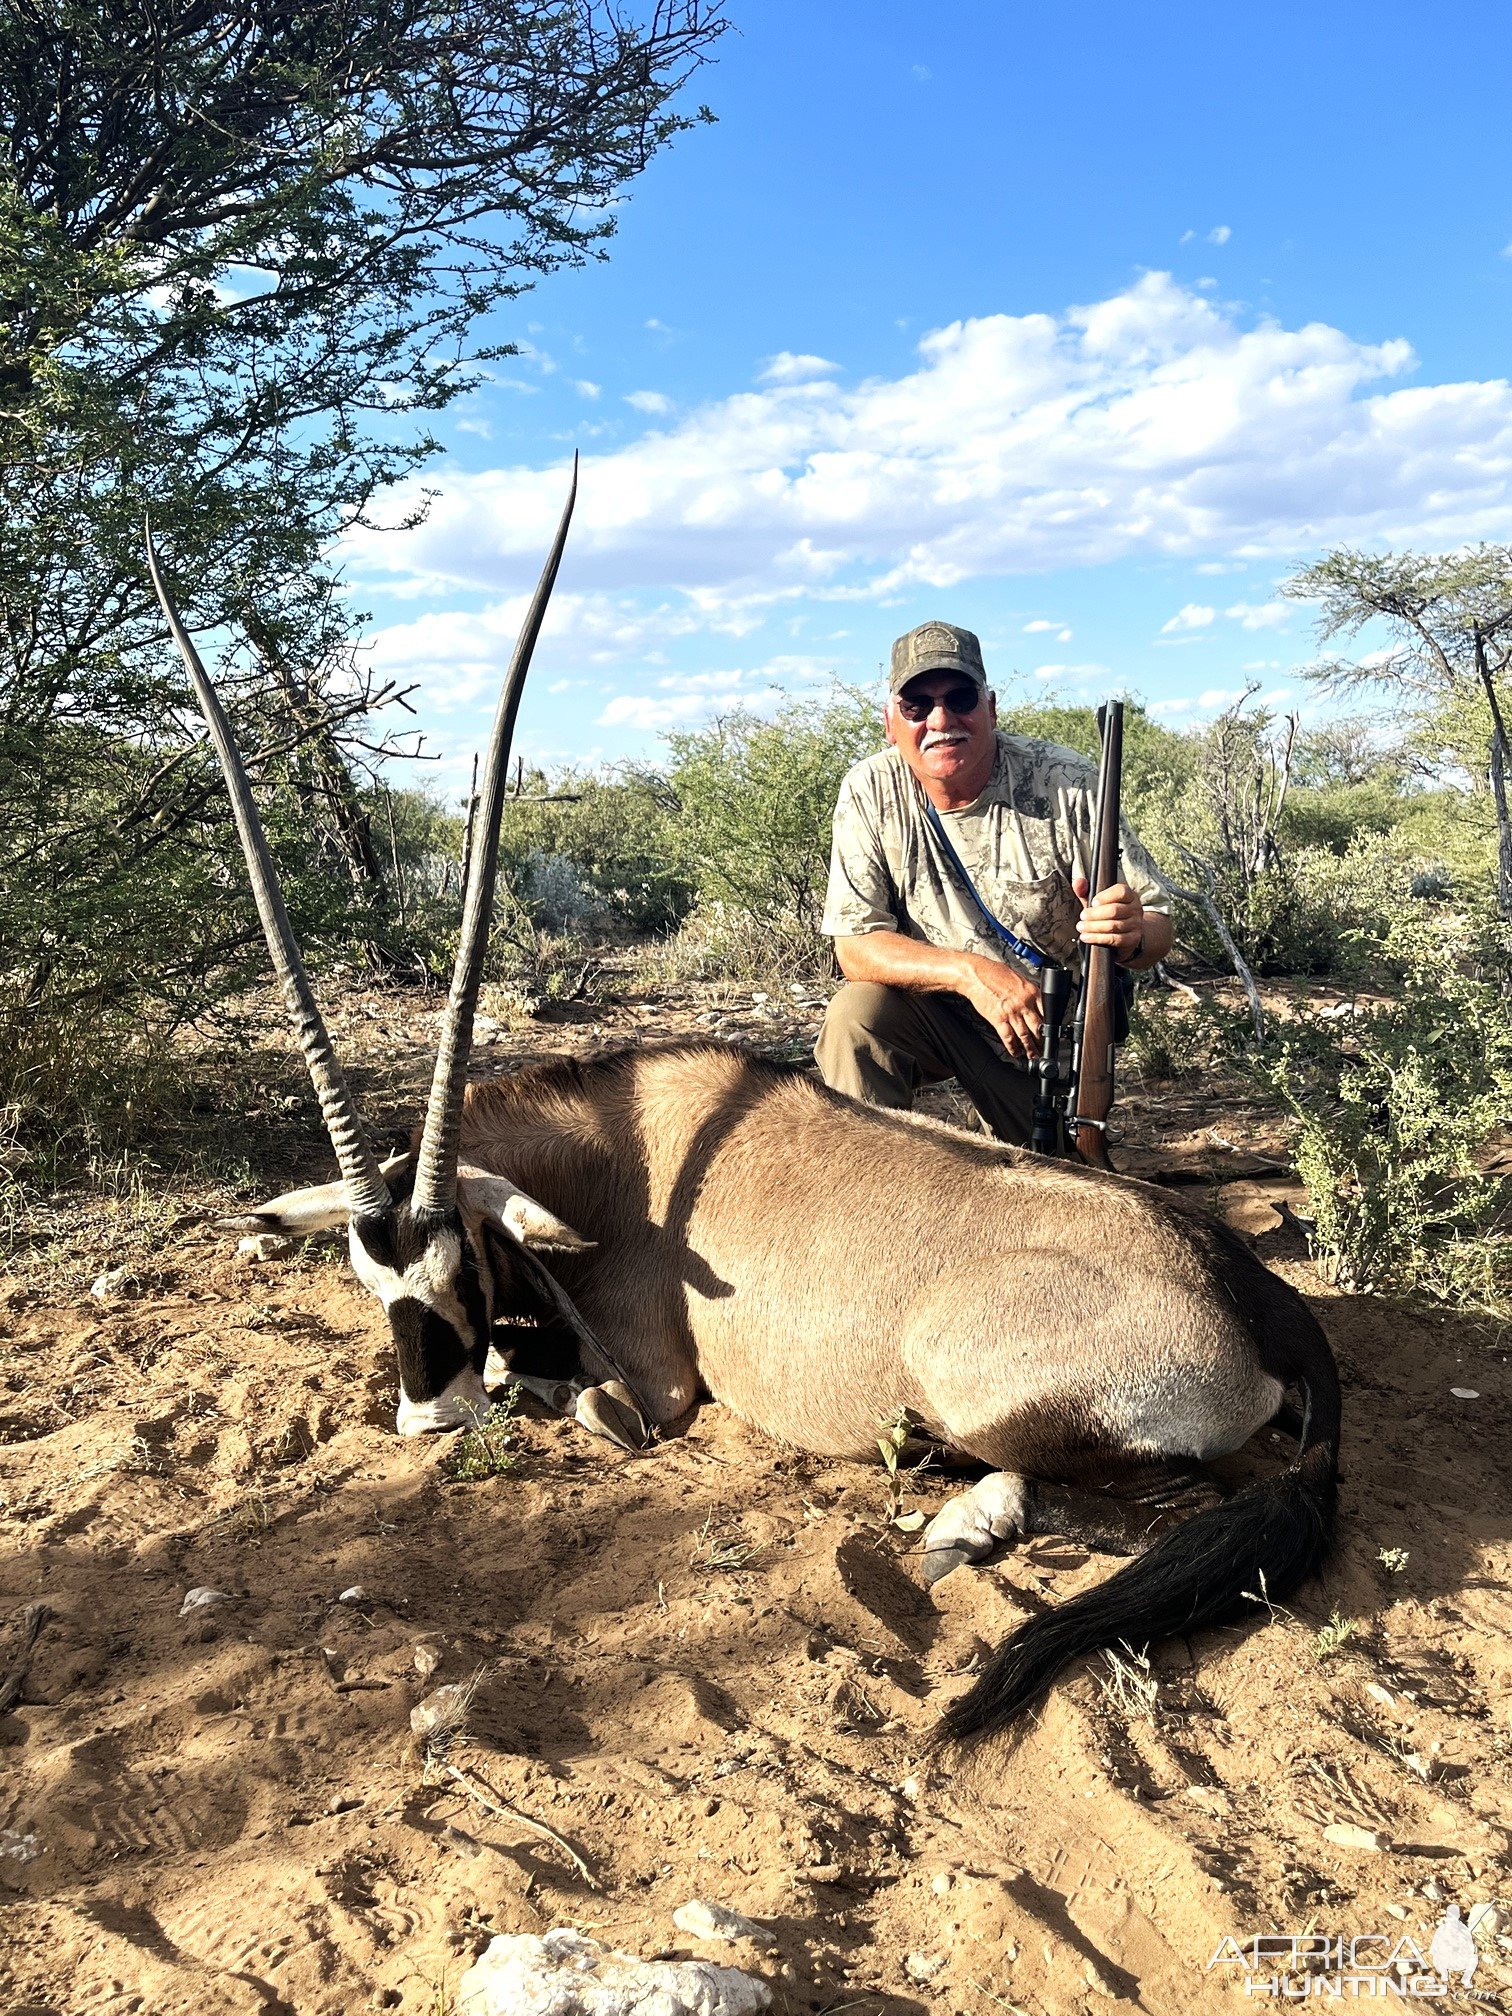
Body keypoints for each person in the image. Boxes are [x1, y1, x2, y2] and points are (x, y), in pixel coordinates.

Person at [816, 619, 1173, 1145]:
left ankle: (1005, 1126)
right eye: (918, 705)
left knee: (1051, 1187)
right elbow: (856, 946)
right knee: (856, 1018)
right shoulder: (869, 788)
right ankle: (871, 1196)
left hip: (1042, 1038)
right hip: (935, 1013)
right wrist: (972, 974)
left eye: (960, 697)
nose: (941, 719)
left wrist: (1132, 931)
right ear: (891, 721)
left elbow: (1157, 930)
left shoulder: (1069, 785)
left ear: (991, 707)